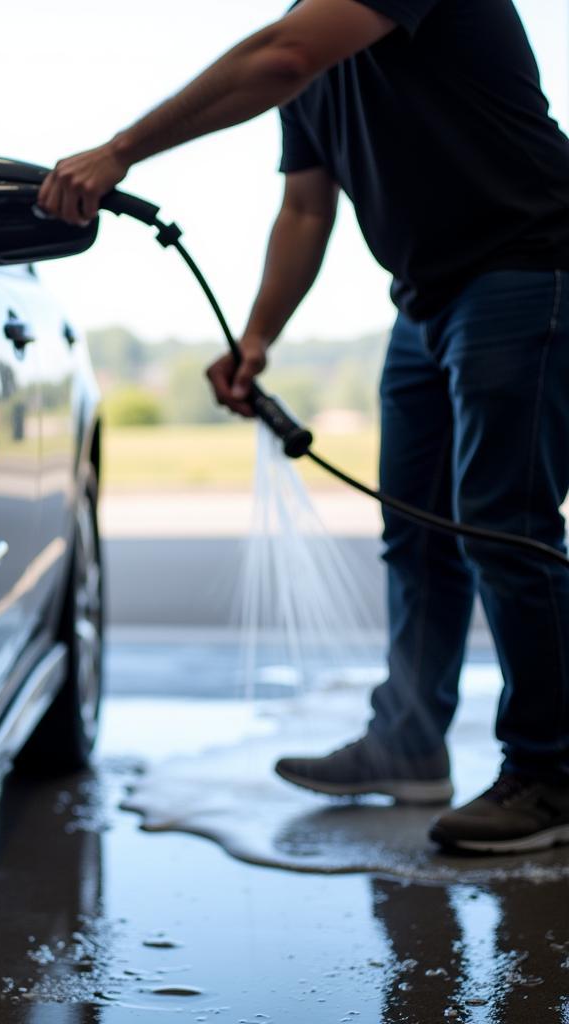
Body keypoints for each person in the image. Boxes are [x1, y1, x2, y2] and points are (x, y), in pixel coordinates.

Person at [37, 0, 569, 854]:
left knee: (503, 523)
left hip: (526, 264)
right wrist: (256, 339)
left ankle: (550, 773)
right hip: (427, 297)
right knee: (418, 535)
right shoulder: (316, 37)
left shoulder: (310, 37)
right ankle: (408, 741)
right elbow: (306, 211)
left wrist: (121, 150)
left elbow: (280, 58)